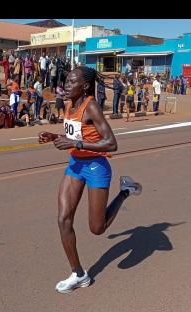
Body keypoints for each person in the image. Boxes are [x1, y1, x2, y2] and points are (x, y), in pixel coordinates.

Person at [37, 66, 142, 294]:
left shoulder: (91, 106)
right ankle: (79, 274)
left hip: (96, 167)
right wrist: (55, 137)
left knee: (97, 228)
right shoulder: (69, 104)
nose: (66, 85)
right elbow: (76, 135)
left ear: (84, 86)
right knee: (64, 219)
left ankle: (125, 191)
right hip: (75, 165)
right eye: (66, 80)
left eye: (71, 81)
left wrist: (76, 144)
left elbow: (112, 143)